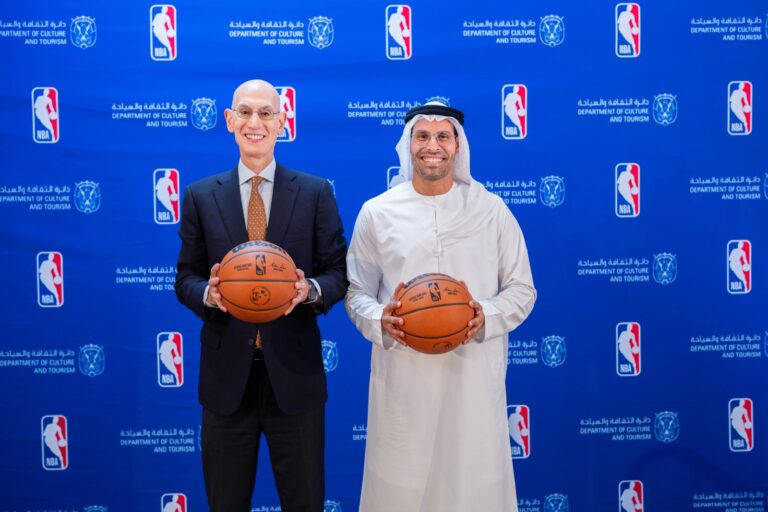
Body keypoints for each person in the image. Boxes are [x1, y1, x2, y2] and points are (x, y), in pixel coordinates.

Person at [345, 102, 536, 511]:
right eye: (423, 136)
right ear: (408, 144)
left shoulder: (492, 211)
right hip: (403, 381)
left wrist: (484, 315)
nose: (432, 146)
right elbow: (356, 292)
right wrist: (381, 318)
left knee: (473, 487)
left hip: (472, 379)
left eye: (443, 136)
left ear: (457, 145)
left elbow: (522, 290)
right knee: (399, 489)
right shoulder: (377, 212)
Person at [175, 79, 347, 512]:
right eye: (246, 112)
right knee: (226, 503)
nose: (256, 122)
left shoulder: (314, 192)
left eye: (266, 113)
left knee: (305, 503)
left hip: (295, 377)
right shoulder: (199, 195)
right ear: (229, 120)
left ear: (282, 122)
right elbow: (185, 278)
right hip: (226, 381)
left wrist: (308, 290)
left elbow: (339, 274)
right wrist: (210, 294)